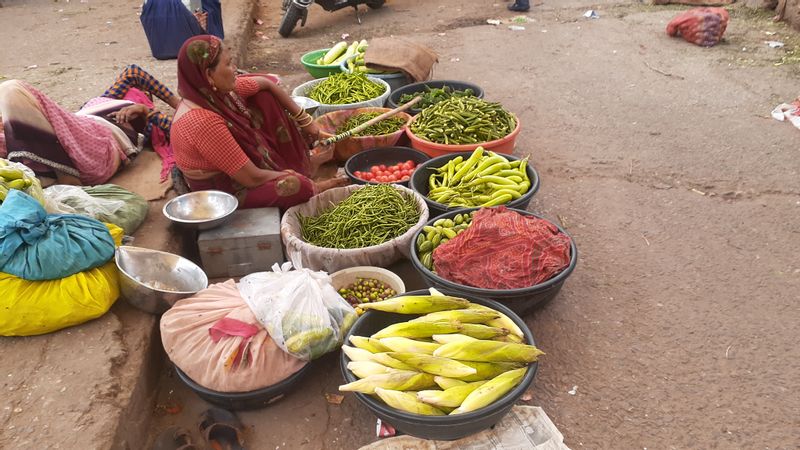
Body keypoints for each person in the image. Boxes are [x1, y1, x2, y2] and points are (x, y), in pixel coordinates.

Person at [170, 35, 347, 210]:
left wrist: (305, 121)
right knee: (294, 185)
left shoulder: (215, 94)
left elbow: (266, 84)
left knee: (264, 97)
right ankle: (312, 184)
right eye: (228, 64)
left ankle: (304, 166)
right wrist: (288, 174)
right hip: (225, 192)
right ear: (209, 75)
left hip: (242, 172)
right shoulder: (202, 122)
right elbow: (251, 178)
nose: (235, 69)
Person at [0, 65, 179, 185]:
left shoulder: (145, 120)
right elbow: (133, 72)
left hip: (97, 138)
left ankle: (62, 174)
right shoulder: (107, 99)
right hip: (79, 124)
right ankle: (44, 172)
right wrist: (178, 104)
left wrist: (145, 111)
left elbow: (180, 129)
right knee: (15, 116)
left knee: (11, 89)